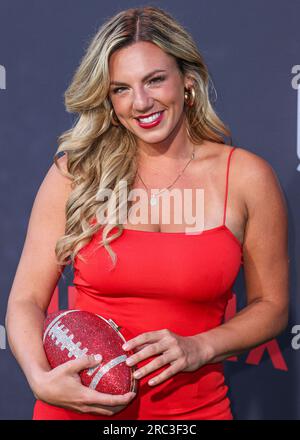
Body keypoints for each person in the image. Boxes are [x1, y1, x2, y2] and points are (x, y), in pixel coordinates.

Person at [5, 6, 289, 420]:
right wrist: (39, 377)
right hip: (76, 411)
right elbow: (26, 300)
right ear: (108, 97)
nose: (141, 103)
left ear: (187, 82)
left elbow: (273, 305)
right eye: (121, 88)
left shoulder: (246, 177)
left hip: (195, 414)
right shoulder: (77, 172)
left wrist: (201, 346)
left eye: (155, 80)